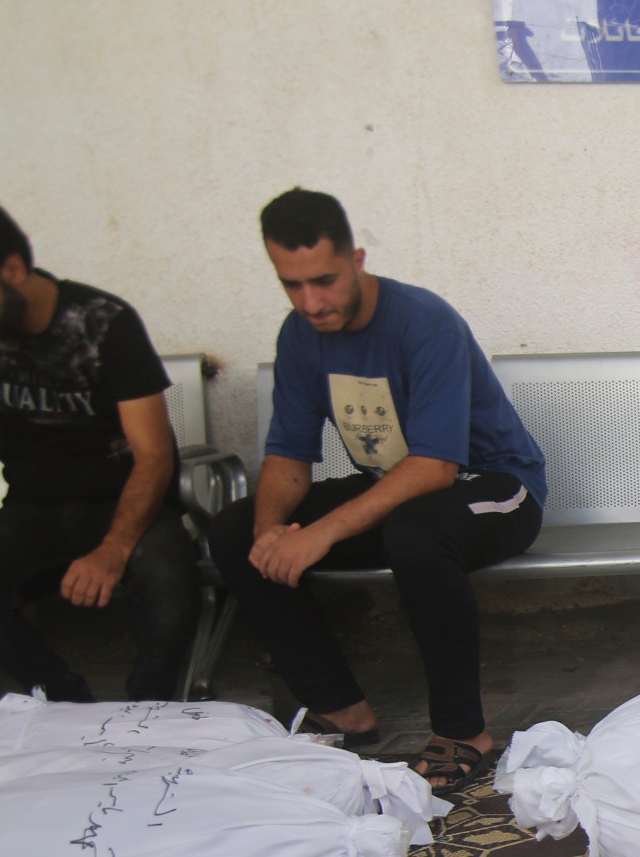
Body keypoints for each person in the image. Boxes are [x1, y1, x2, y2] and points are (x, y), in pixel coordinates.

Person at [208, 189, 545, 792]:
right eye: (291, 285)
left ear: (357, 260)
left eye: (324, 281)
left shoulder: (424, 322)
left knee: (414, 532)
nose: (312, 302)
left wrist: (316, 535)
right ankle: (338, 707)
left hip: (494, 488)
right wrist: (271, 537)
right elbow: (288, 454)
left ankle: (462, 733)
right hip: (398, 493)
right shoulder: (301, 335)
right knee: (235, 531)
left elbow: (436, 469)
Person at [0, 192, 195, 702]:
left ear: (13, 268)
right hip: (33, 506)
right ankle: (62, 703)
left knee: (170, 573)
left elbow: (153, 454)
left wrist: (113, 549)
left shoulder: (104, 321)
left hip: (121, 503)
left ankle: (151, 713)